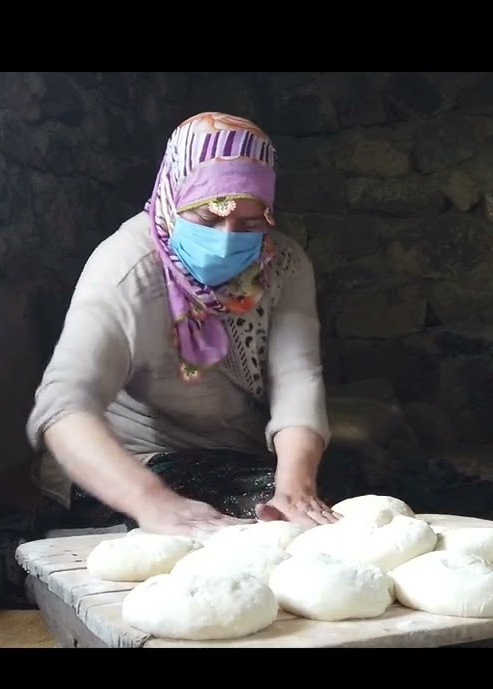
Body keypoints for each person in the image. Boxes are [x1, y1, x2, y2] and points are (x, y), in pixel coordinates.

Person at [24, 111, 343, 538]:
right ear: (174, 196)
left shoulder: (282, 263)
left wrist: (294, 488)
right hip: (133, 462)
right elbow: (63, 409)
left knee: (321, 513)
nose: (228, 238)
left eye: (248, 224)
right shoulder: (128, 267)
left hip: (236, 454)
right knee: (248, 531)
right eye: (208, 220)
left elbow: (297, 379)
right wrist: (153, 503)